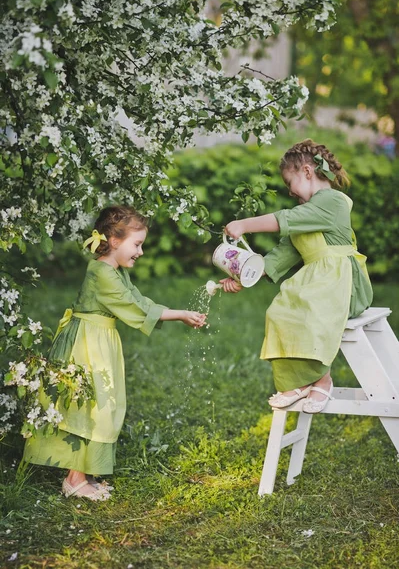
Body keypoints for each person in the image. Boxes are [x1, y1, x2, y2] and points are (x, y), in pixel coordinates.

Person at [23, 206, 206, 500]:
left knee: (102, 406)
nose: (141, 252)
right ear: (115, 240)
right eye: (137, 244)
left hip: (100, 340)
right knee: (90, 408)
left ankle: (83, 472)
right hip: (87, 344)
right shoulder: (101, 273)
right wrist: (181, 314)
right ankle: (75, 479)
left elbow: (136, 299)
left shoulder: (113, 271)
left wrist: (178, 313)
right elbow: (134, 307)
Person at [221, 139, 372, 414]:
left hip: (345, 284)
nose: (291, 193)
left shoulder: (332, 201)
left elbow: (285, 219)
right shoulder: (306, 216)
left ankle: (321, 378)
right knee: (280, 312)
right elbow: (280, 255)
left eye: (290, 185)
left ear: (306, 171)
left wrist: (244, 225)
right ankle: (296, 383)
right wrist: (242, 277)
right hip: (320, 283)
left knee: (310, 309)